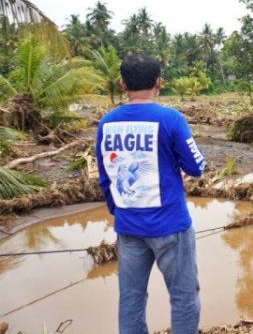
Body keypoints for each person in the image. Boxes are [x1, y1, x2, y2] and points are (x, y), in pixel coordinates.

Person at [96, 54, 206, 334]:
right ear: (159, 82)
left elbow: (105, 177)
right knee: (184, 297)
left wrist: (118, 211)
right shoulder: (170, 119)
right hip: (171, 226)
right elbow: (196, 167)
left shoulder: (106, 123)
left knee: (131, 299)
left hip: (128, 228)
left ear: (123, 85)